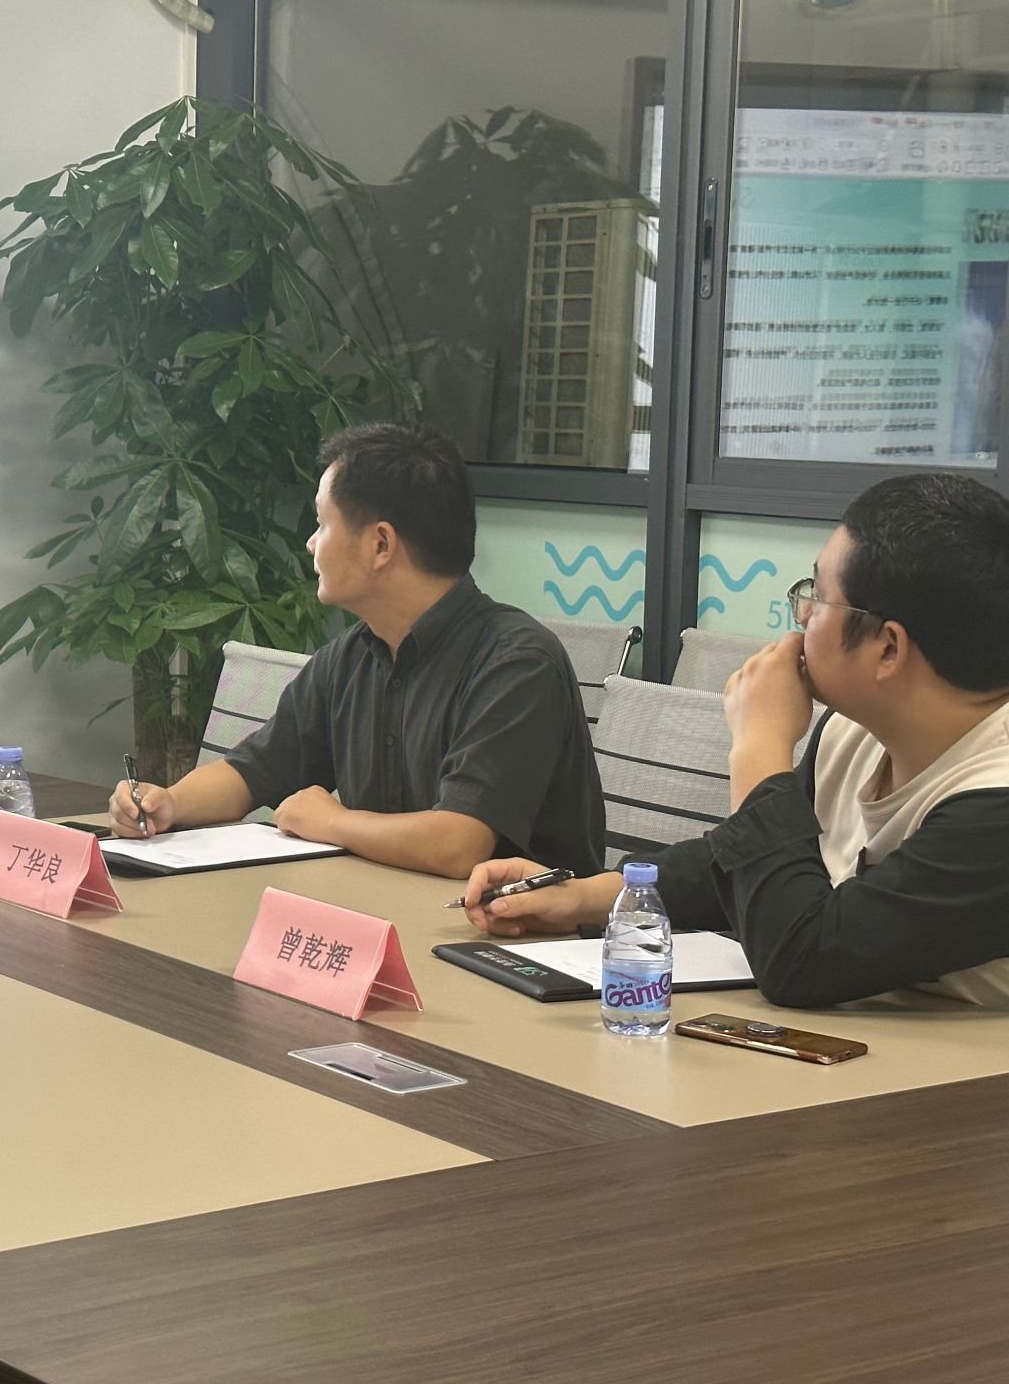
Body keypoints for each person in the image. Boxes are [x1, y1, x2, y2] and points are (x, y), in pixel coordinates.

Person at [463, 472, 1009, 1009]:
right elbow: (740, 865)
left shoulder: (996, 801)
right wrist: (585, 897)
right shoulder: (854, 730)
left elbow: (802, 960)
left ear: (888, 648)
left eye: (820, 597)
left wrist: (759, 745)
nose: (802, 614)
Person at [109, 422, 605, 878]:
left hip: (521, 935)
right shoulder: (350, 656)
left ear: (381, 545)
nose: (310, 544)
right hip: (380, 911)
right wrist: (167, 804)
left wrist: (332, 822)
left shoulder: (516, 664)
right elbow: (254, 771)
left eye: (322, 524)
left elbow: (459, 844)